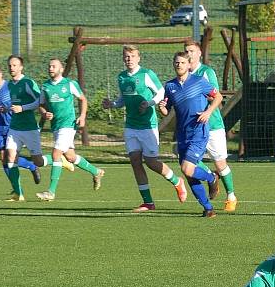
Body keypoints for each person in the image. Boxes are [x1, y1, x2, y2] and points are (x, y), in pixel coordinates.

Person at [102, 45, 188, 213]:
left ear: (138, 58)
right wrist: (111, 104)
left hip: (148, 126)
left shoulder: (147, 74)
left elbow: (161, 92)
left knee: (151, 162)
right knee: (134, 160)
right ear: (123, 59)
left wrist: (148, 104)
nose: (129, 59)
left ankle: (177, 182)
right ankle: (148, 202)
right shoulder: (121, 77)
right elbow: (122, 100)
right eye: (126, 56)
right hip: (131, 126)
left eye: (132, 56)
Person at [158, 51, 222, 218]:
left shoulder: (199, 81)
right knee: (190, 174)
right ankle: (208, 208)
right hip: (182, 134)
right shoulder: (170, 86)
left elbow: (218, 97)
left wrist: (208, 111)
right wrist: (162, 109)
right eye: (176, 62)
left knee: (187, 169)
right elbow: (167, 110)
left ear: (188, 65)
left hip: (198, 132)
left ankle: (211, 177)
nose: (179, 65)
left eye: (182, 62)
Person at [35, 58, 105, 201]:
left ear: (61, 69)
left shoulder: (69, 84)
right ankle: (96, 171)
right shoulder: (45, 86)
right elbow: (41, 104)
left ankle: (51, 192)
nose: (51, 68)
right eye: (49, 66)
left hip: (68, 125)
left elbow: (83, 99)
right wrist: (44, 113)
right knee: (71, 157)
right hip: (56, 126)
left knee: (56, 154)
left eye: (54, 66)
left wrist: (83, 116)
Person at [183, 41, 238, 212]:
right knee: (185, 159)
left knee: (220, 163)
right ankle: (210, 176)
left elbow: (216, 95)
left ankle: (231, 196)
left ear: (199, 53)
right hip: (192, 127)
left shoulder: (206, 72)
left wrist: (206, 112)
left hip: (212, 125)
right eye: (186, 51)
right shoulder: (183, 76)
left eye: (192, 51)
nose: (189, 54)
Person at [4, 55, 64, 202]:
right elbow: (15, 104)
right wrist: (6, 108)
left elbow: (40, 101)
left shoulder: (28, 83)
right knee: (9, 157)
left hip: (30, 128)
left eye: (15, 65)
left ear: (21, 67)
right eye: (10, 65)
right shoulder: (10, 85)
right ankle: (19, 194)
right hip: (14, 128)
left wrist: (22, 108)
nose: (12, 68)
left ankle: (60, 159)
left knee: (38, 161)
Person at [0, 64, 44, 190]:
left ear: (0, 74)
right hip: (0, 128)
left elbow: (21, 101)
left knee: (9, 157)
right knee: (4, 159)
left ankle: (32, 166)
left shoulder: (9, 86)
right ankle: (17, 189)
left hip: (13, 125)